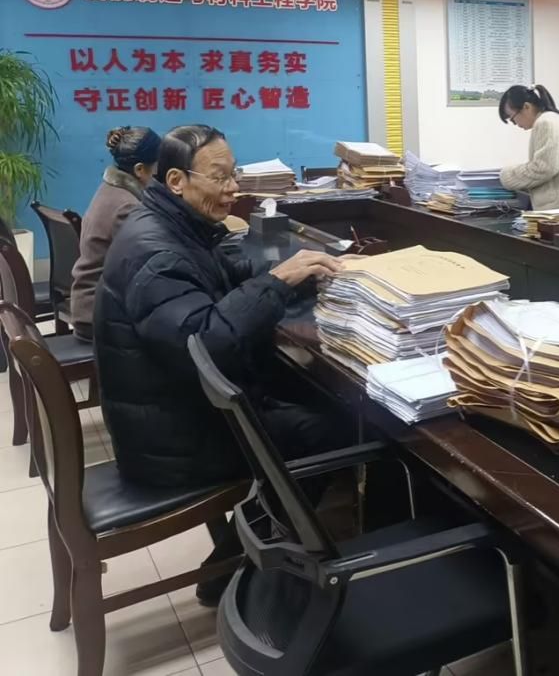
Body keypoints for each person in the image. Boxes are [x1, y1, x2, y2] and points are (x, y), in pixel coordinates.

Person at [94, 124, 349, 604]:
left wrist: (291, 272)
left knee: (305, 394)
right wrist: (276, 283)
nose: (233, 188)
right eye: (220, 178)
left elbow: (217, 273)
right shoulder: (156, 253)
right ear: (176, 181)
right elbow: (204, 342)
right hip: (173, 440)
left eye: (234, 174)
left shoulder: (168, 223)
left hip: (166, 409)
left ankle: (273, 541)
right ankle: (235, 567)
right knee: (327, 432)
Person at [69, 127, 160, 341]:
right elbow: (146, 263)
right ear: (140, 170)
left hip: (89, 305)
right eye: (158, 166)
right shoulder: (127, 206)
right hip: (99, 315)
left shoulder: (111, 191)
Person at [498, 84, 559, 209]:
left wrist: (507, 176)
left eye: (513, 119)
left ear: (526, 107)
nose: (516, 124)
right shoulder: (556, 118)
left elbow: (544, 168)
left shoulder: (545, 122)